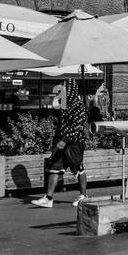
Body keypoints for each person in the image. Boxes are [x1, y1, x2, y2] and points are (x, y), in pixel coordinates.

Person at [32, 78, 90, 208]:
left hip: (75, 143)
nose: (63, 90)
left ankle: (83, 195)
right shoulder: (65, 104)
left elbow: (77, 126)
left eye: (65, 88)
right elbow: (61, 121)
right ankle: (48, 198)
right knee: (54, 167)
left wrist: (65, 139)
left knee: (78, 168)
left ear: (71, 90)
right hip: (62, 141)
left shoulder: (79, 106)